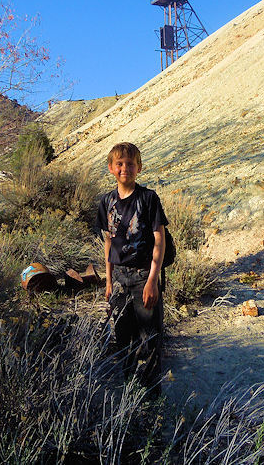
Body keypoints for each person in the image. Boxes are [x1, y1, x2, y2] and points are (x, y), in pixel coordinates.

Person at [96, 142, 169, 394]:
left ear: (139, 167)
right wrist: (108, 282)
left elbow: (159, 240)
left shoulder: (148, 199)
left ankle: (151, 397)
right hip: (119, 278)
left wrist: (152, 281)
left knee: (149, 339)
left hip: (143, 277)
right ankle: (129, 392)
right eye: (119, 164)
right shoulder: (106, 201)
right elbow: (108, 243)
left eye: (130, 163)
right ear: (111, 168)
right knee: (122, 337)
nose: (124, 168)